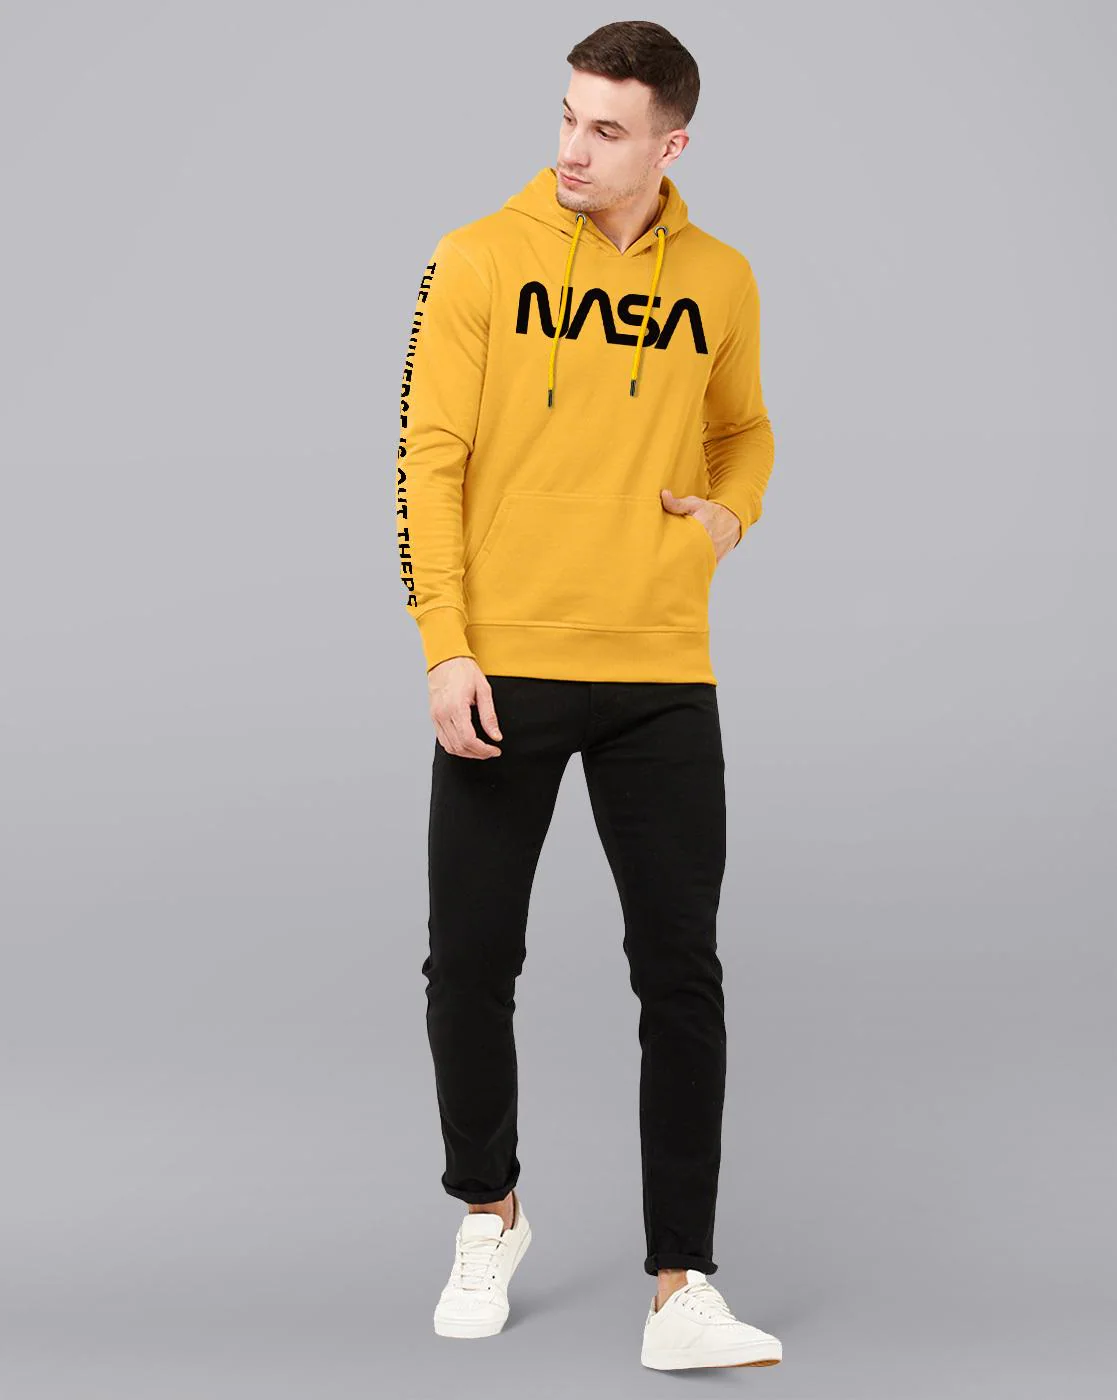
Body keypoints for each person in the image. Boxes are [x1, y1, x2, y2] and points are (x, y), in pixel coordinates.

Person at [395, 20, 782, 1371]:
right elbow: (428, 459)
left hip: (662, 666)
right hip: (505, 661)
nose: (573, 146)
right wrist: (446, 646)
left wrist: (728, 515)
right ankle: (489, 1213)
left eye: (608, 128)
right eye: (568, 115)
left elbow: (745, 429)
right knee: (470, 961)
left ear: (672, 145)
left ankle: (683, 1287)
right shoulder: (477, 258)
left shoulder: (719, 279)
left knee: (681, 974)